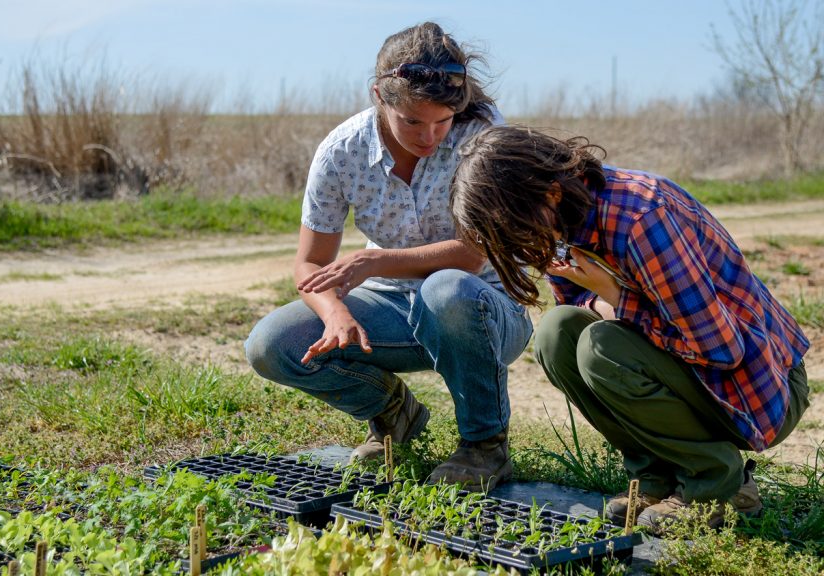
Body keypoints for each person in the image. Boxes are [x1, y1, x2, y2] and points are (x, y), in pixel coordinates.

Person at [449, 125, 810, 533]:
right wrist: (605, 301)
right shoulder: (563, 222)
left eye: (515, 228)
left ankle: (715, 483)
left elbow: (721, 350)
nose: (520, 244)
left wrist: (616, 298)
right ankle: (656, 477)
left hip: (759, 389)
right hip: (700, 375)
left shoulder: (641, 219)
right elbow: (578, 320)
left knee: (601, 347)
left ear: (550, 192)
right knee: (557, 333)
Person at [244, 22, 533, 491]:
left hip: (484, 309)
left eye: (442, 121)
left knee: (447, 289)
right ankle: (393, 414)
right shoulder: (342, 151)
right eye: (413, 122)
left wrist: (374, 261)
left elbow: (470, 254)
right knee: (271, 345)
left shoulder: (481, 135)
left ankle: (484, 447)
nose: (430, 136)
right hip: (393, 308)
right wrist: (334, 311)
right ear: (380, 95)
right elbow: (310, 264)